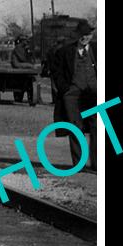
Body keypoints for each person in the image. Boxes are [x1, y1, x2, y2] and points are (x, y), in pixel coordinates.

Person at [46, 22, 97, 171]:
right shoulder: (65, 51)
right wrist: (64, 89)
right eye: (82, 34)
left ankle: (97, 164)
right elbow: (56, 71)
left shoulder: (98, 49)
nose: (85, 37)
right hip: (72, 94)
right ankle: (79, 164)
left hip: (94, 93)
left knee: (97, 127)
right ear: (77, 35)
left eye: (88, 34)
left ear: (92, 35)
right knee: (75, 126)